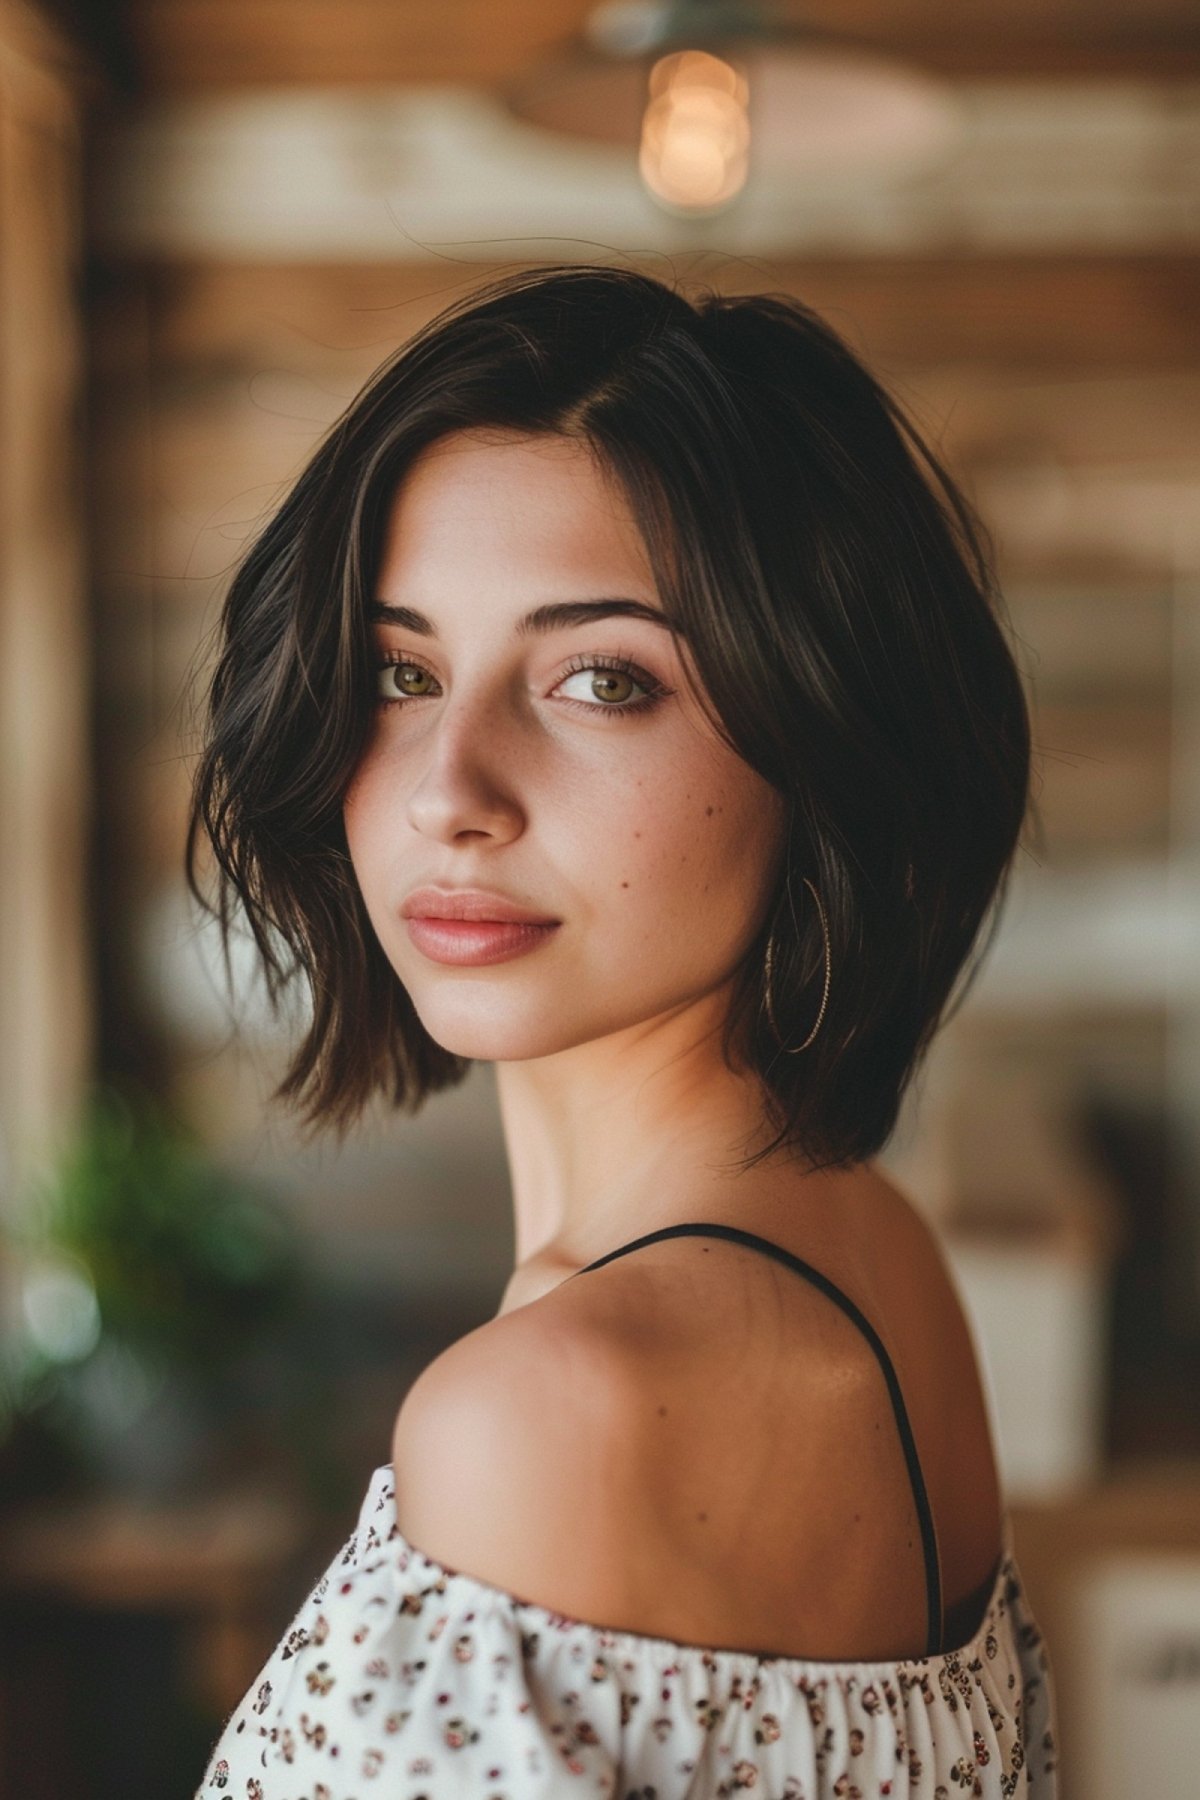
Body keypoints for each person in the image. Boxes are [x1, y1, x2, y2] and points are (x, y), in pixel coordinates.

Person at [189, 262, 1058, 1796]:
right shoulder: (871, 1258)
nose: (453, 788)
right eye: (403, 672)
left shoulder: (555, 1411)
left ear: (826, 738)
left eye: (601, 679)